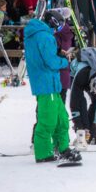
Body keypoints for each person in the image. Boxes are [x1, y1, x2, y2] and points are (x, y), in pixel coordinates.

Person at [24, 9, 81, 163]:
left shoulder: (39, 34)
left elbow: (43, 53)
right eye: (59, 26)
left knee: (61, 118)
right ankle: (43, 153)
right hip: (46, 84)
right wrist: (65, 61)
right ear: (53, 23)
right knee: (48, 120)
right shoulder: (44, 36)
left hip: (51, 83)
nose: (59, 29)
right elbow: (50, 62)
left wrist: (57, 51)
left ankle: (62, 147)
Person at [69, 47, 96, 149]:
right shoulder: (81, 76)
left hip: (94, 79)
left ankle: (91, 132)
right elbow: (76, 104)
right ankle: (85, 130)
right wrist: (80, 127)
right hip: (76, 74)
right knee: (81, 103)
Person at [53, 8, 74, 103]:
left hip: (56, 74)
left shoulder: (56, 35)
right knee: (61, 102)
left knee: (55, 103)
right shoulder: (67, 33)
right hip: (64, 74)